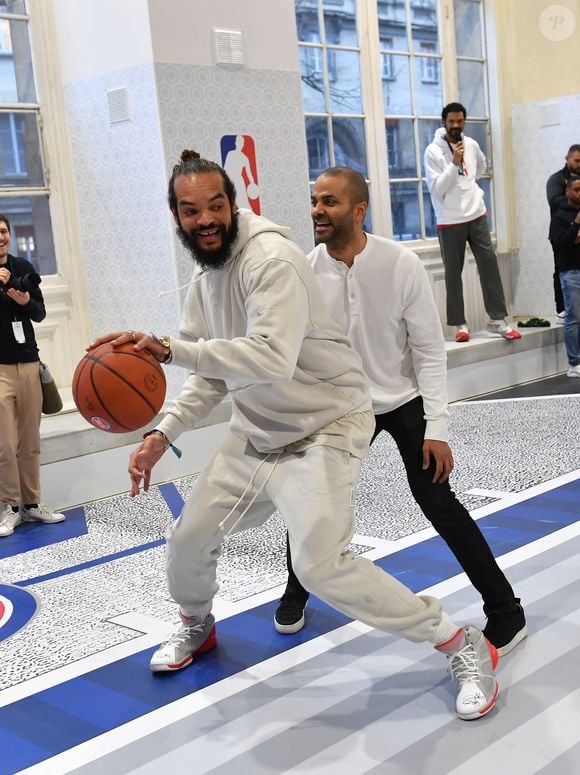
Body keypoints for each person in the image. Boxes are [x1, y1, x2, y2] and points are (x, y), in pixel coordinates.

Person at [89, 152, 499, 720]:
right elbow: (210, 371)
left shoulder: (272, 260)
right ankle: (196, 624)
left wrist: (168, 348)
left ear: (232, 205)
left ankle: (459, 641)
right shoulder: (205, 277)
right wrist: (164, 432)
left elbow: (271, 358)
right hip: (256, 431)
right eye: (190, 210)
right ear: (176, 216)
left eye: (214, 206)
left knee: (319, 565)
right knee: (187, 539)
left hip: (324, 427)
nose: (204, 220)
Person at [274, 167, 527, 658]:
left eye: (329, 202)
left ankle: (506, 611)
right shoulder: (303, 272)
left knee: (439, 503)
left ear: (359, 210)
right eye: (314, 201)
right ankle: (295, 591)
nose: (317, 211)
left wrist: (437, 428)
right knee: (311, 502)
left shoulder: (401, 264)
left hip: (404, 400)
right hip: (339, 407)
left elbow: (429, 351)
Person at [424, 103, 521, 344]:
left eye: (460, 121)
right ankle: (460, 325)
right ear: (444, 122)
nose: (456, 125)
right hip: (449, 220)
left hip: (476, 214)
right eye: (451, 121)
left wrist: (469, 185)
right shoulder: (433, 152)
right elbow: (437, 190)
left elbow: (481, 167)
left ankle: (497, 319)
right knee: (453, 274)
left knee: (489, 265)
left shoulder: (472, 145)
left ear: (464, 121)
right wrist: (453, 163)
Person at [0, 214, 65, 537]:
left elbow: (39, 314)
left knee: (31, 440)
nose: (0, 237)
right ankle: (10, 506)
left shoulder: (22, 266)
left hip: (28, 363)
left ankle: (32, 503)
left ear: (9, 235)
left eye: (3, 231)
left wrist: (25, 300)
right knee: (4, 444)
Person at [549, 179, 580, 378]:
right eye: (577, 189)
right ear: (567, 192)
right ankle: (574, 363)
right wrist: (576, 224)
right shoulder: (559, 216)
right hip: (571, 272)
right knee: (574, 318)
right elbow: (561, 244)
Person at [546, 145, 580, 320]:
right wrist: (572, 196)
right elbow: (554, 201)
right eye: (577, 161)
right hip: (561, 228)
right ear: (567, 158)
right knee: (561, 267)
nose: (579, 164)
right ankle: (561, 308)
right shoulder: (556, 179)